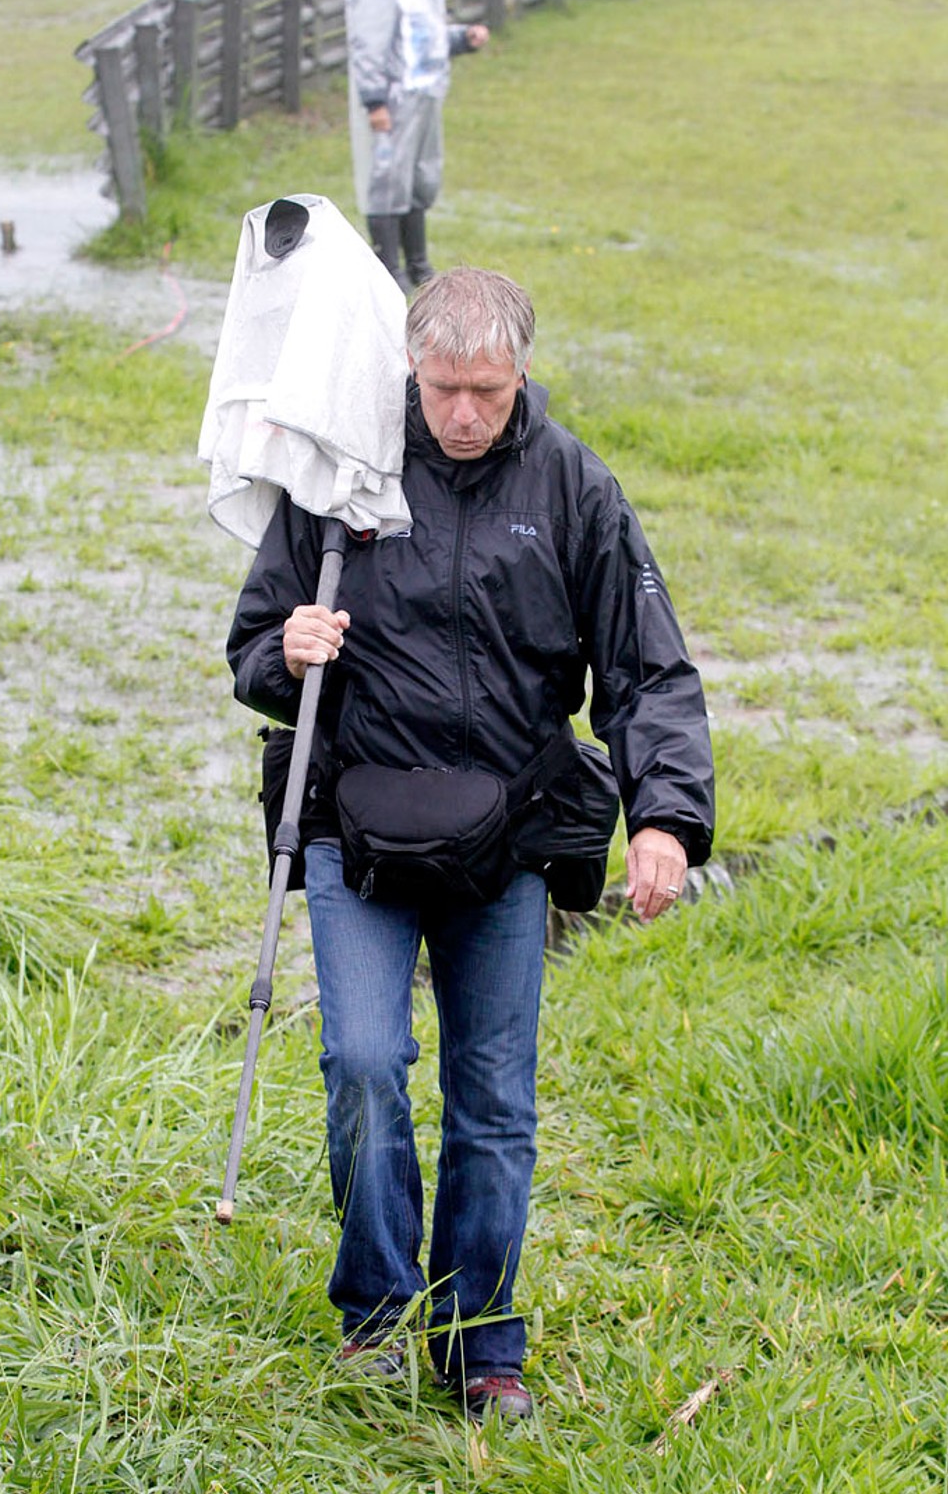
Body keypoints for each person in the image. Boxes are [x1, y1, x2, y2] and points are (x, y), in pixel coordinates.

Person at [226, 268, 715, 1423]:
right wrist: (284, 647)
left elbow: (648, 666)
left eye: (486, 393)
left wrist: (664, 816)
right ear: (411, 368)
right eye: (443, 388)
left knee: (492, 1097)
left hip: (505, 835)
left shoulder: (573, 485)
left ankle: (481, 1341)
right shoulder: (345, 475)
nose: (461, 415)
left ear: (521, 375)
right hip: (360, 829)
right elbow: (253, 642)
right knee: (360, 1062)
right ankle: (381, 1316)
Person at [345, 0, 490, 293]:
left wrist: (462, 39)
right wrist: (375, 101)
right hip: (393, 100)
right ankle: (387, 270)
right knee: (388, 181)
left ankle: (419, 265)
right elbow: (368, 45)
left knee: (420, 178)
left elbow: (426, 34)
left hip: (425, 96)